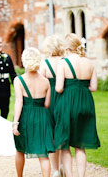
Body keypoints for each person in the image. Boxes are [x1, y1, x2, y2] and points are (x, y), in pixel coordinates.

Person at [54, 33, 99, 177]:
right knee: (80, 145)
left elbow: (59, 88)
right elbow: (94, 87)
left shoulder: (63, 62)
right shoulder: (89, 62)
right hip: (86, 102)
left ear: (67, 48)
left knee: (65, 144)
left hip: (68, 103)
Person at [12, 47, 55, 177]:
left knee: (20, 150)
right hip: (42, 117)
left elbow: (19, 102)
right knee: (43, 154)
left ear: (24, 61)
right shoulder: (46, 81)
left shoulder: (19, 80)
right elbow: (47, 104)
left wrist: (15, 123)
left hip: (25, 117)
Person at [38, 35, 66, 176]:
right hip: (64, 98)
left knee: (52, 134)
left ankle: (55, 169)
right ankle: (62, 165)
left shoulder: (44, 64)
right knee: (63, 132)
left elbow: (41, 84)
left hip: (50, 100)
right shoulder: (66, 62)